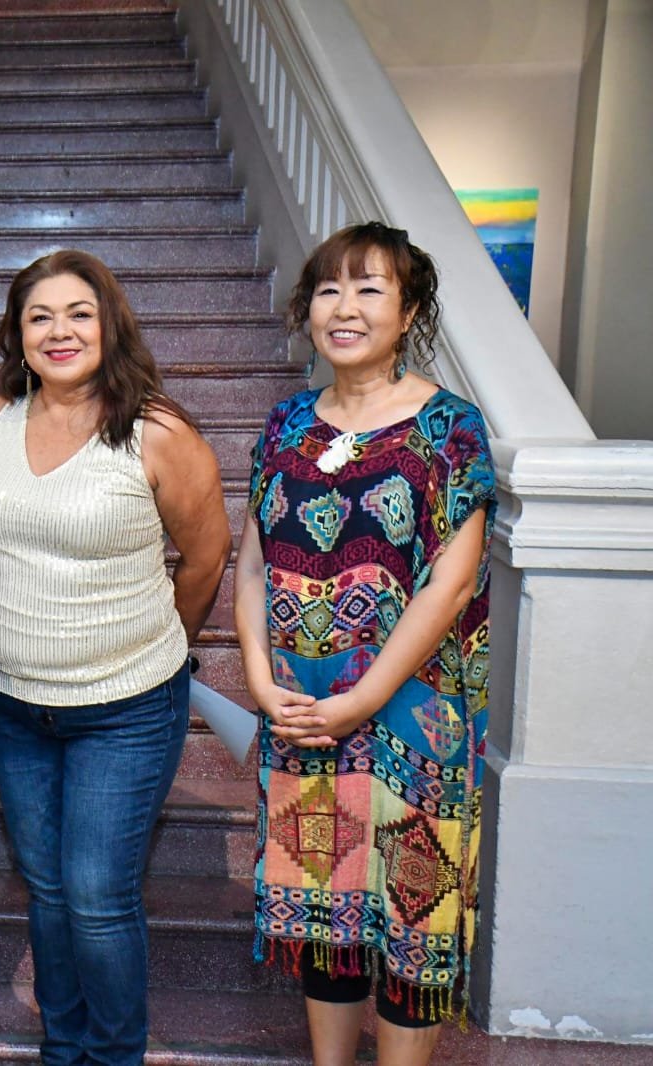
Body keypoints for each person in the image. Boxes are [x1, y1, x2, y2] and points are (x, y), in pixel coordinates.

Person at [233, 222, 494, 1066]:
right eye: (329, 290)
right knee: (325, 927)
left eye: (370, 289)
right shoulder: (283, 426)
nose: (344, 308)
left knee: (413, 931)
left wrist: (366, 699)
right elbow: (250, 565)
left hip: (415, 721)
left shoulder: (449, 427)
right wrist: (261, 684)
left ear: (409, 308)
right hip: (306, 715)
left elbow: (452, 583)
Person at [0, 249, 231, 1066]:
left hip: (125, 709)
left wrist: (146, 650)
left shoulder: (158, 430)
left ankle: (114, 1055)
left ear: (109, 323)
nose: (60, 330)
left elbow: (206, 557)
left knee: (96, 897)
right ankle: (62, 1047)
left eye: (78, 313)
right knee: (47, 895)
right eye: (40, 315)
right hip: (12, 702)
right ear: (18, 333)